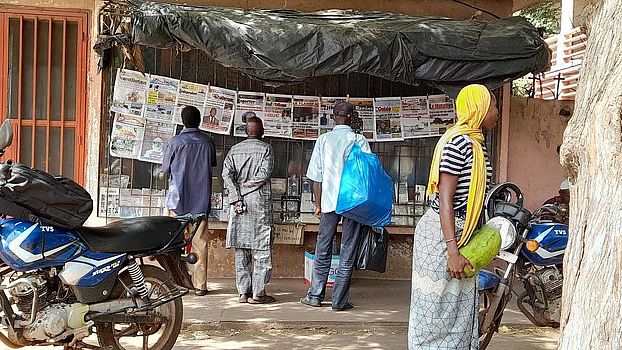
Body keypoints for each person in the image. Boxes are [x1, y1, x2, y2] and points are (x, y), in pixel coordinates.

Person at [408, 84, 498, 349]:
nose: (496, 112)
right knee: (437, 311)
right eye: (493, 106)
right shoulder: (458, 142)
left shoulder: (476, 145)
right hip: (442, 235)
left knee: (458, 307)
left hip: (459, 232)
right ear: (478, 108)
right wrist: (452, 251)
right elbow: (445, 198)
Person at [300, 102, 371, 311]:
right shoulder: (359, 140)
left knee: (323, 247)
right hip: (353, 204)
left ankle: (315, 295)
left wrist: (319, 205)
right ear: (351, 118)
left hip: (329, 202)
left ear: (333, 117)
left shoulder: (324, 140)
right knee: (348, 250)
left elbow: (316, 178)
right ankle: (339, 301)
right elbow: (367, 175)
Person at [162, 105, 217, 296]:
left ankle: (178, 282)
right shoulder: (208, 142)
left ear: (182, 121)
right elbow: (211, 164)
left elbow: (166, 169)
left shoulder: (175, 142)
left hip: (178, 203)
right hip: (200, 202)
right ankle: (200, 285)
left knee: (174, 244)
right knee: (200, 243)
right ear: (199, 120)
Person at [222, 117, 276, 304]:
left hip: (237, 205)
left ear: (246, 131)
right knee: (261, 247)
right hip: (258, 203)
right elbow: (264, 175)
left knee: (241, 248)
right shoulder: (266, 149)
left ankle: (243, 292)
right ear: (261, 131)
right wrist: (244, 189)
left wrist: (236, 195)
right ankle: (258, 293)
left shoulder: (234, 150)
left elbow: (226, 175)